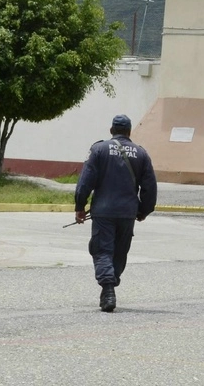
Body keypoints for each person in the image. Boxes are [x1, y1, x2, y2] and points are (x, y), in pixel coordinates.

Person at [74, 114, 157, 312]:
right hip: (127, 213)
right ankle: (110, 284)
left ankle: (108, 288)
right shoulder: (141, 154)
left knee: (102, 250)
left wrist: (79, 206)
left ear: (111, 130)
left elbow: (85, 181)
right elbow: (149, 187)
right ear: (129, 132)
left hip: (103, 212)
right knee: (119, 252)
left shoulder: (99, 149)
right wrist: (144, 210)